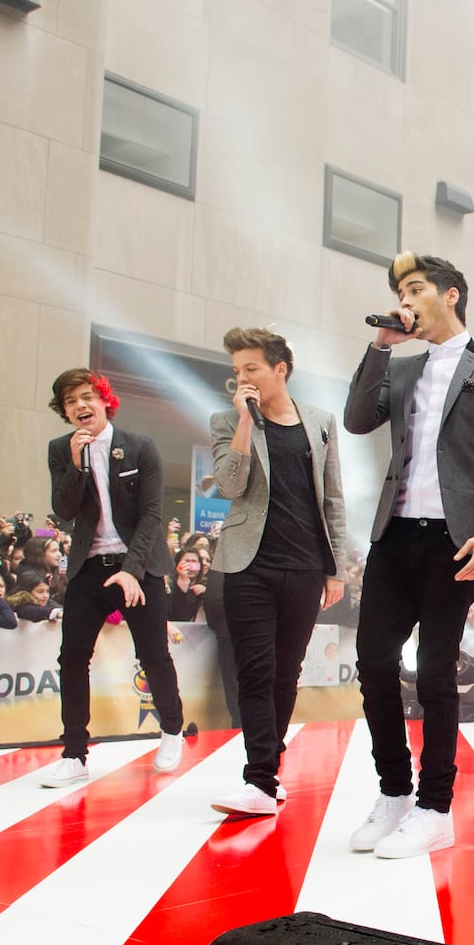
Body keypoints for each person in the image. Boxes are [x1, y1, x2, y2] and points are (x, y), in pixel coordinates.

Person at [343, 250, 474, 858]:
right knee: (372, 662)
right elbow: (354, 420)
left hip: (455, 540)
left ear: (450, 294)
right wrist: (381, 345)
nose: (406, 299)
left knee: (435, 670)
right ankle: (394, 791)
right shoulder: (400, 367)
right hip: (393, 534)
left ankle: (434, 806)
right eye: (400, 291)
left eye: (416, 288)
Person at [206, 326, 349, 818]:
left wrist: (337, 570)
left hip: (307, 566)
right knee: (256, 671)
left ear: (279, 369)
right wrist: (246, 421)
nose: (241, 378)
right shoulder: (227, 420)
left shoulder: (321, 421)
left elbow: (332, 499)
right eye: (236, 371)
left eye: (251, 368)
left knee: (286, 675)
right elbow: (228, 483)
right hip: (248, 565)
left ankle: (268, 765)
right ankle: (260, 781)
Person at [37, 369, 186, 788]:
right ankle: (74, 752)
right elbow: (64, 511)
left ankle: (172, 728)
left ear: (104, 400)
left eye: (87, 397)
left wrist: (131, 571)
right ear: (64, 411)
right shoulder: (60, 450)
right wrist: (76, 464)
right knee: (72, 657)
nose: (81, 407)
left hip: (138, 565)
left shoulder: (140, 447)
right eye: (71, 403)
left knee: (153, 654)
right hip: (88, 567)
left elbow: (152, 516)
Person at [166, 548, 206, 622]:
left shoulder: (206, 585)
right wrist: (183, 580)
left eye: (194, 562)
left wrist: (206, 593)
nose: (190, 566)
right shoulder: (169, 585)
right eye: (186, 562)